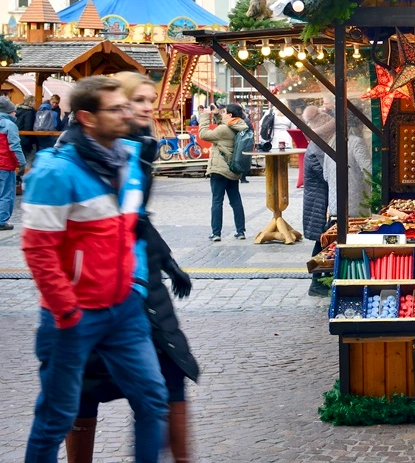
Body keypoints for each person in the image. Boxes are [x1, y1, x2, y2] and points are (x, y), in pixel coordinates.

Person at [21, 76, 168, 463]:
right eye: (116, 109)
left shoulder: (129, 160)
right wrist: (67, 311)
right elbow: (39, 252)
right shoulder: (54, 172)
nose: (127, 114)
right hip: (73, 316)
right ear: (87, 118)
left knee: (154, 400)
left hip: (123, 310)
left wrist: (136, 284)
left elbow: (132, 229)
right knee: (55, 418)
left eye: (126, 106)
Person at [66, 73, 199, 463]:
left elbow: (137, 218)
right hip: (100, 289)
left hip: (143, 286)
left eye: (150, 99)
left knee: (171, 375)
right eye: (138, 100)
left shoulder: (137, 151)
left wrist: (166, 261)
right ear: (114, 106)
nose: (147, 107)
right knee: (85, 387)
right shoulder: (93, 155)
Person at [199, 104, 249, 242]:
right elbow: (225, 124)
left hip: (219, 170)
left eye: (224, 112)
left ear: (231, 115)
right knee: (235, 201)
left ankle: (216, 233)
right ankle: (240, 231)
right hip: (232, 169)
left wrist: (205, 116)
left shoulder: (223, 129)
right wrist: (216, 115)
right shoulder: (241, 126)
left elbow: (203, 134)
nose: (223, 113)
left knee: (217, 201)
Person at [301, 106, 335, 297]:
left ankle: (319, 280)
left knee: (321, 241)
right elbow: (327, 174)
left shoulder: (317, 147)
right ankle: (316, 282)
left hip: (320, 202)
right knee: (320, 242)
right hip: (318, 205)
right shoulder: (316, 150)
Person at [322, 115, 372, 219]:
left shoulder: (332, 143)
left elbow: (326, 176)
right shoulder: (356, 142)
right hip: (356, 206)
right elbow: (369, 171)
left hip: (335, 205)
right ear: (358, 125)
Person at [0, 97, 27, 230]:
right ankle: (1, 221)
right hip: (5, 165)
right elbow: (15, 147)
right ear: (8, 111)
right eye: (13, 111)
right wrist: (22, 164)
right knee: (6, 193)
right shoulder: (9, 125)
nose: (15, 114)